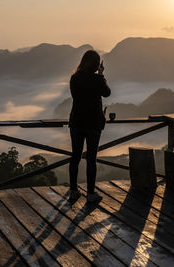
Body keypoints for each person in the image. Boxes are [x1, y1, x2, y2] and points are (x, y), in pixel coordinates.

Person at [68, 50, 111, 202]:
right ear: (96, 64)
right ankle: (91, 193)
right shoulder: (96, 79)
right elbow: (107, 93)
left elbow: (77, 97)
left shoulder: (74, 78)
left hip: (76, 122)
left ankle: (73, 191)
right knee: (91, 159)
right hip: (93, 123)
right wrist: (101, 75)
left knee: (75, 157)